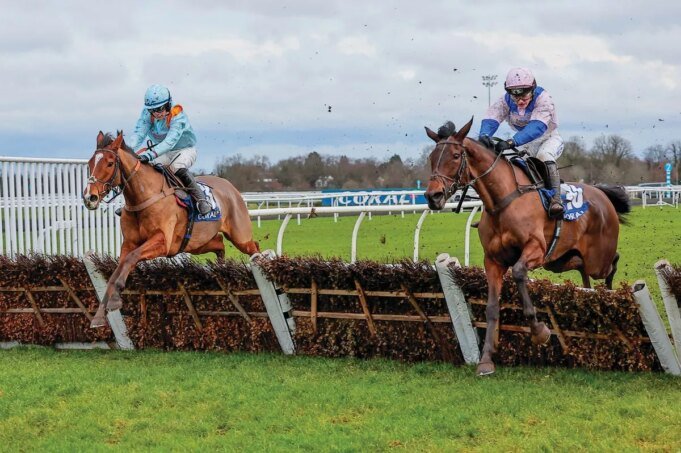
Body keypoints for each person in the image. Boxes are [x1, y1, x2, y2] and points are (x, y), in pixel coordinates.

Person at [478, 67, 564, 219]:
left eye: (524, 95)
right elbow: (492, 117)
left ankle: (556, 200)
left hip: (548, 138)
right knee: (504, 160)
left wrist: (513, 141)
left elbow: (537, 127)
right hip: (524, 142)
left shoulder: (543, 98)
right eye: (515, 96)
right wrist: (484, 135)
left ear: (533, 89)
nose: (520, 101)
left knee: (544, 155)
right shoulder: (505, 100)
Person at [124, 84, 212, 215]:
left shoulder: (177, 115)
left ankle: (201, 199)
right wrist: (125, 150)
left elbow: (169, 142)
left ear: (168, 104)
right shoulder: (147, 114)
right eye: (152, 110)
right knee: (143, 167)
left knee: (176, 167)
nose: (156, 113)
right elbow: (139, 135)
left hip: (185, 150)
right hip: (164, 152)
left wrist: (149, 155)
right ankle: (134, 204)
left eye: (159, 109)